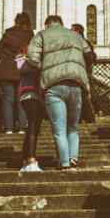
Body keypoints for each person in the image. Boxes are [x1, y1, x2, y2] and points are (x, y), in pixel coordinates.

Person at [27, 15, 89, 170]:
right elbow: (89, 54)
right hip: (76, 82)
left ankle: (65, 162)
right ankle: (73, 157)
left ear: (47, 24)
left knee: (59, 128)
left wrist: (46, 66)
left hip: (54, 85)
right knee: (73, 127)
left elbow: (32, 59)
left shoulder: (41, 35)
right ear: (62, 24)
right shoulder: (75, 35)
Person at [0, 13, 33, 134]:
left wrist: (6, 58)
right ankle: (22, 127)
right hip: (23, 69)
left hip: (6, 69)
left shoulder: (8, 34)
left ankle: (9, 128)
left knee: (8, 99)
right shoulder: (30, 35)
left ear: (16, 22)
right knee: (22, 98)